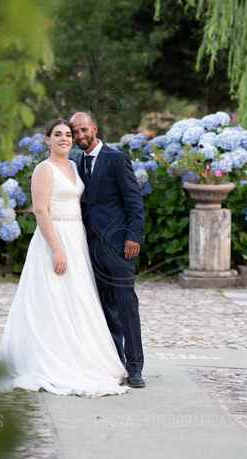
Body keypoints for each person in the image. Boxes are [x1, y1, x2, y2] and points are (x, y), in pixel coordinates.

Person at [0, 118, 129, 396]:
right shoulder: (44, 169)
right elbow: (41, 211)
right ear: (47, 140)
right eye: (58, 134)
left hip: (77, 238)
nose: (64, 138)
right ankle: (51, 358)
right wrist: (57, 248)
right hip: (55, 238)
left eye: (68, 134)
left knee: (77, 298)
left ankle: (80, 355)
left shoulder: (75, 167)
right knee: (53, 297)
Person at [70, 112, 146, 388]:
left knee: (126, 305)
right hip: (88, 247)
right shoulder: (77, 162)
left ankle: (136, 367)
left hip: (118, 246)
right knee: (104, 307)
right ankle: (116, 362)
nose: (80, 136)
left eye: (83, 130)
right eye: (75, 132)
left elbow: (134, 201)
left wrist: (133, 236)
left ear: (95, 128)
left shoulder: (116, 159)